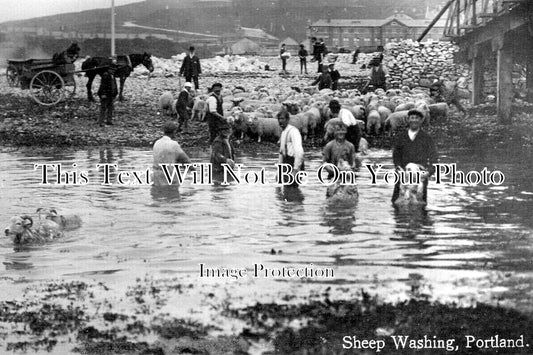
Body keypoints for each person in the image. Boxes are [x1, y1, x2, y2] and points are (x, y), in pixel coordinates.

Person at [391, 108, 438, 204]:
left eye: (417, 118)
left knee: (420, 204)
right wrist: (398, 167)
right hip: (403, 173)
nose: (414, 120)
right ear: (408, 120)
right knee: (397, 203)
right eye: (412, 118)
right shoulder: (401, 137)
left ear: (421, 121)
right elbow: (396, 155)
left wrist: (429, 172)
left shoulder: (427, 138)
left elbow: (434, 158)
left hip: (420, 174)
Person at [152, 121, 192, 186]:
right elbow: (185, 160)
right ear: (174, 132)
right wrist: (193, 170)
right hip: (169, 177)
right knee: (172, 194)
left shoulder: (157, 143)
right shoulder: (174, 144)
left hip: (156, 177)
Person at [277, 109, 304, 184]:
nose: (280, 121)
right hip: (286, 163)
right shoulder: (283, 132)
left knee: (293, 188)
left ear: (287, 119)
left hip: (294, 163)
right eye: (279, 119)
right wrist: (278, 172)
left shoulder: (293, 131)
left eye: (282, 119)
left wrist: (295, 170)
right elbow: (281, 152)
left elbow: (299, 151)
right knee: (287, 188)